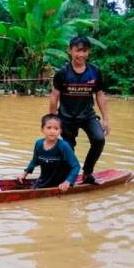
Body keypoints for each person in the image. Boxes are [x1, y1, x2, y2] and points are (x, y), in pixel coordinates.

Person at [50, 36, 109, 184]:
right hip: (66, 117)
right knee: (68, 149)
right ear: (70, 51)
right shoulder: (62, 72)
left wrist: (106, 119)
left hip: (87, 115)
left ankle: (87, 173)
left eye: (84, 51)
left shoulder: (95, 71)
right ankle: (66, 177)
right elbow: (54, 97)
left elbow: (100, 95)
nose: (80, 55)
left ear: (88, 52)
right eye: (77, 51)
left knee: (99, 139)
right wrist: (53, 119)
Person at [18, 114, 81, 192]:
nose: (52, 131)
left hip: (60, 184)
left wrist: (68, 181)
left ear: (60, 131)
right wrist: (25, 173)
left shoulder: (63, 146)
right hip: (44, 180)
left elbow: (76, 166)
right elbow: (35, 160)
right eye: (49, 128)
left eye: (56, 128)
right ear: (42, 129)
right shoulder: (39, 143)